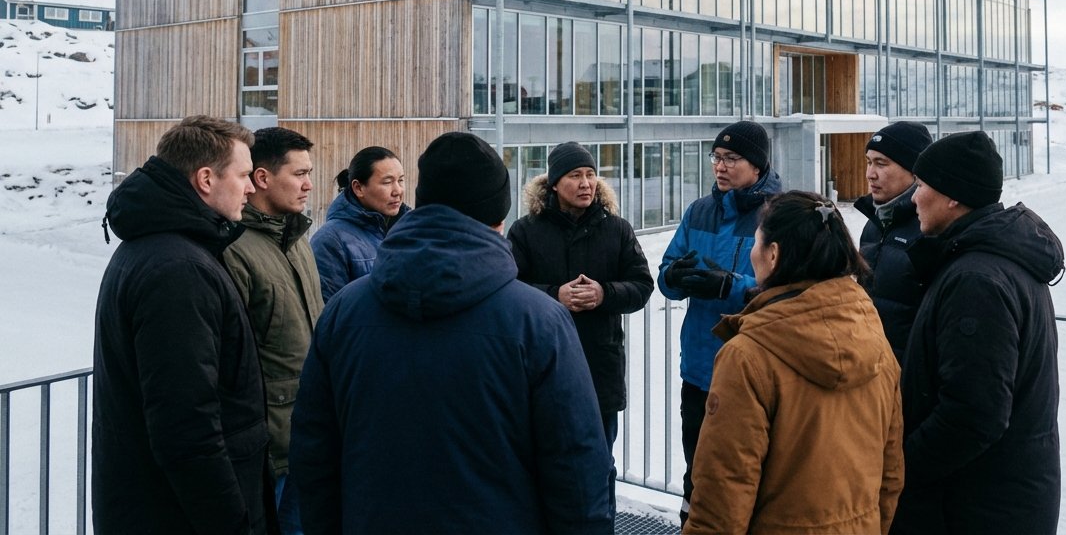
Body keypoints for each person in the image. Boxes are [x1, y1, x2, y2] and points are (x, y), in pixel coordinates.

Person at [290, 131, 612, 534]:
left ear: (422, 202)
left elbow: (314, 452)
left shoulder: (344, 311)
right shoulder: (539, 321)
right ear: (499, 219)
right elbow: (577, 468)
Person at [92, 115, 275, 534]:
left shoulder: (168, 249)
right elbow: (187, 428)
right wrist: (233, 524)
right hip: (176, 516)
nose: (252, 188)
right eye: (243, 175)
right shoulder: (178, 270)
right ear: (206, 179)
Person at [685, 191, 904, 534]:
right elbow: (890, 475)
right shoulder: (874, 336)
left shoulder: (748, 356)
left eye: (757, 240)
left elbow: (723, 496)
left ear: (773, 254)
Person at [892, 130, 1064, 535]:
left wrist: (899, 468)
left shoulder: (977, 280)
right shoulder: (990, 260)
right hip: (995, 498)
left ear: (952, 196)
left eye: (922, 186)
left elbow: (974, 415)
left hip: (977, 508)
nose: (914, 198)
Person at [508, 141, 654, 520]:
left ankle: (602, 524)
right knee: (540, 462)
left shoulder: (616, 229)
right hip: (541, 366)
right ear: (555, 183)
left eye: (590, 175)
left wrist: (604, 294)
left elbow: (642, 285)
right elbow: (507, 286)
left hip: (598, 368)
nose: (586, 183)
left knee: (600, 463)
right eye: (575, 175)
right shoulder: (526, 231)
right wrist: (553, 295)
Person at [657, 120, 782, 525]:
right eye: (717, 157)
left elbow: (789, 290)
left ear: (758, 165)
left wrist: (732, 286)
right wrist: (673, 277)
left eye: (732, 158)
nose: (721, 166)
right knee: (697, 476)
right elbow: (667, 269)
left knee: (747, 480)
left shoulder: (780, 215)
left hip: (755, 375)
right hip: (699, 371)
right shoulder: (699, 211)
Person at [224, 127, 324, 535]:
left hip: (308, 436)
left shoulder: (297, 239)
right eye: (299, 174)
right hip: (270, 451)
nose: (309, 184)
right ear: (262, 178)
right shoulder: (235, 251)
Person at [852, 120, 933, 364]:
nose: (870, 174)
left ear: (914, 171)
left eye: (881, 163)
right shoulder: (873, 226)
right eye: (869, 162)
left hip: (910, 374)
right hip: (871, 369)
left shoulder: (930, 228)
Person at [309, 146, 408, 300]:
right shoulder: (330, 240)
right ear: (358, 188)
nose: (397, 191)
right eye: (387, 182)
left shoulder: (409, 230)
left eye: (400, 180)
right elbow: (331, 308)